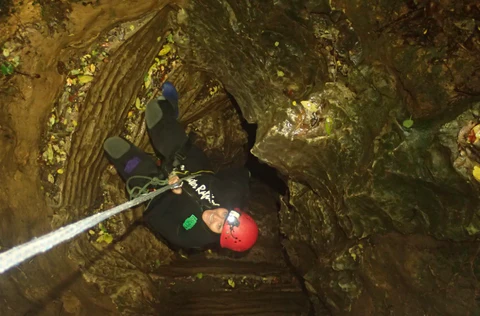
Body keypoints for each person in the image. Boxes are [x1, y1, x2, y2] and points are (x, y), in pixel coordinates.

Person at [103, 82, 258, 252]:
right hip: (186, 161)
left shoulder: (191, 237)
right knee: (154, 110)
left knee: (114, 147)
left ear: (219, 238)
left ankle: (147, 164)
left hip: (157, 190)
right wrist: (248, 173)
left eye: (219, 226)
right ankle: (170, 108)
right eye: (225, 214)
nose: (216, 216)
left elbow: (154, 218)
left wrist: (171, 194)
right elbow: (242, 176)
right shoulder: (232, 195)